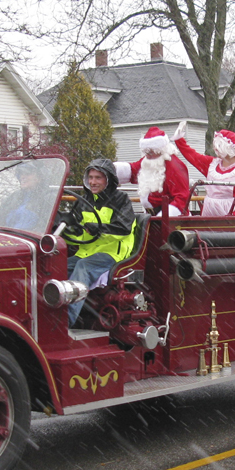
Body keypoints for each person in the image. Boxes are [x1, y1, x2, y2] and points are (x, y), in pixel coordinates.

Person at [59, 158, 136, 326]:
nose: (93, 182)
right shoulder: (83, 201)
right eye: (90, 178)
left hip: (112, 254)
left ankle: (66, 322)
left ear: (108, 180)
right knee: (55, 267)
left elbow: (124, 228)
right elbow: (78, 230)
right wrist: (63, 226)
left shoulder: (121, 200)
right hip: (86, 253)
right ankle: (50, 313)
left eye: (98, 178)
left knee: (83, 267)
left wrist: (99, 228)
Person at [172, 121, 235, 216]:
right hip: (208, 213)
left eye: (219, 146)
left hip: (230, 214)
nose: (216, 149)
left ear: (230, 148)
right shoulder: (211, 164)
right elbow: (192, 156)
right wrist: (179, 139)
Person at [115, 126, 191, 217]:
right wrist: (109, 170)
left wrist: (164, 217)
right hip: (151, 217)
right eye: (146, 152)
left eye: (151, 152)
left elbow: (181, 199)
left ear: (161, 150)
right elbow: (133, 170)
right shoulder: (148, 161)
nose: (148, 156)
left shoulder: (176, 167)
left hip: (172, 220)